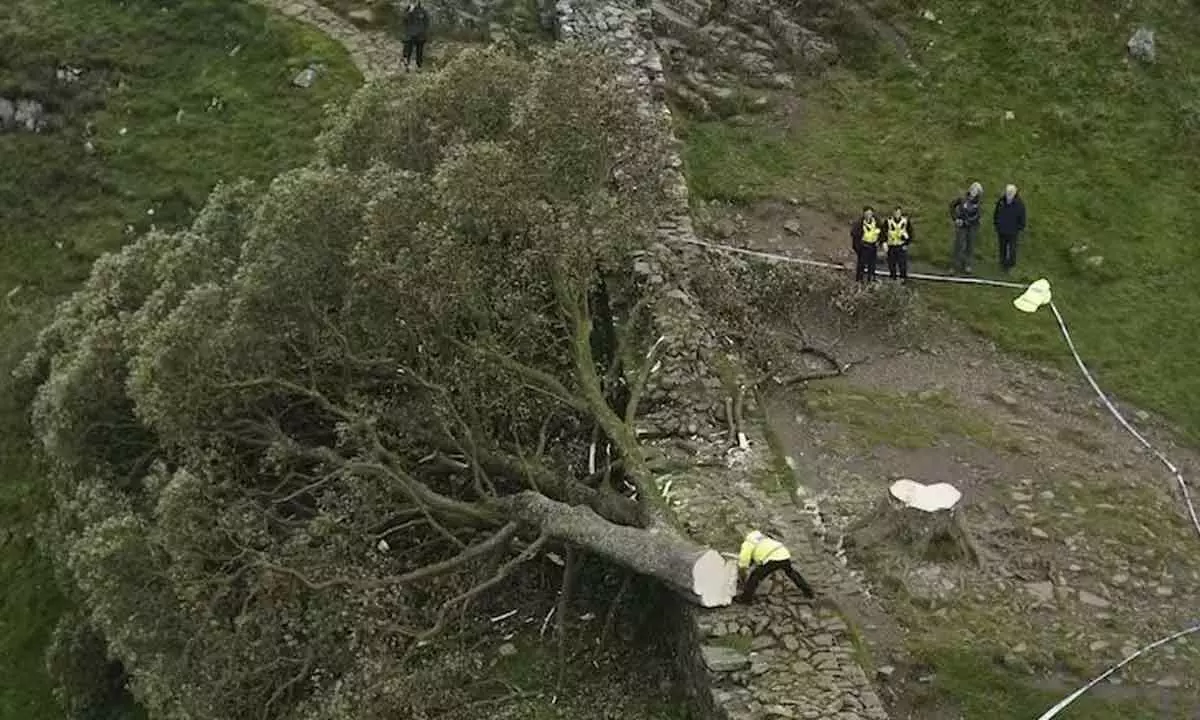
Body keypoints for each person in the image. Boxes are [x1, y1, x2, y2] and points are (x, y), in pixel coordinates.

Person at [734, 530, 816, 603]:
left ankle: (746, 598)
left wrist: (742, 576)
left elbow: (743, 563)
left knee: (755, 576)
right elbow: (755, 556)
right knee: (791, 573)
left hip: (772, 558)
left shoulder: (748, 543)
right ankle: (808, 592)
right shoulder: (761, 537)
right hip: (783, 553)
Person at [948, 182, 983, 273]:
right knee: (958, 245)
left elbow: (977, 216)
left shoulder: (978, 203)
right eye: (973, 189)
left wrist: (967, 222)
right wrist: (955, 218)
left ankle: (967, 265)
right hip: (961, 225)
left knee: (970, 245)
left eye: (976, 191)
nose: (973, 192)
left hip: (972, 226)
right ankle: (954, 266)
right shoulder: (962, 198)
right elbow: (952, 205)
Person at [993, 183, 1027, 272]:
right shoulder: (1001, 201)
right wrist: (996, 224)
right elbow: (996, 213)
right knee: (1002, 247)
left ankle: (1010, 264)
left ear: (1015, 193)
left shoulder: (1019, 204)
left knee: (1012, 249)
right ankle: (1002, 263)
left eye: (1011, 192)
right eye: (1008, 192)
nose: (1009, 194)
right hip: (1002, 229)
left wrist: (1020, 227)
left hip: (1013, 231)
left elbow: (1022, 216)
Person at [849, 206, 881, 283]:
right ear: (864, 214)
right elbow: (854, 234)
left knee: (872, 265)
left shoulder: (876, 221)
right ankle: (859, 281)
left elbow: (882, 232)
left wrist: (879, 241)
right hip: (863, 246)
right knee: (861, 265)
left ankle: (870, 280)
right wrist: (858, 248)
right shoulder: (859, 223)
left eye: (870, 213)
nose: (868, 215)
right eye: (867, 213)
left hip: (873, 246)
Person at [884, 205, 914, 281]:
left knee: (902, 264)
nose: (897, 214)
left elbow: (911, 233)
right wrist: (884, 243)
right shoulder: (888, 221)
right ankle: (892, 279)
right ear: (893, 213)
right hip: (891, 246)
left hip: (901, 246)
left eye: (898, 212)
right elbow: (883, 232)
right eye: (895, 212)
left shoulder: (905, 221)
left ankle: (903, 279)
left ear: (901, 213)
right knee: (891, 264)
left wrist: (907, 243)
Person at [401, 1, 430, 71]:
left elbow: (427, 22)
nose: (414, 2)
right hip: (410, 35)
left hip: (420, 35)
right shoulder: (407, 10)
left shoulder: (422, 10)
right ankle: (406, 66)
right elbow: (404, 20)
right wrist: (410, 11)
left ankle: (419, 67)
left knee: (419, 53)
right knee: (407, 52)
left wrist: (423, 31)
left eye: (416, 1)